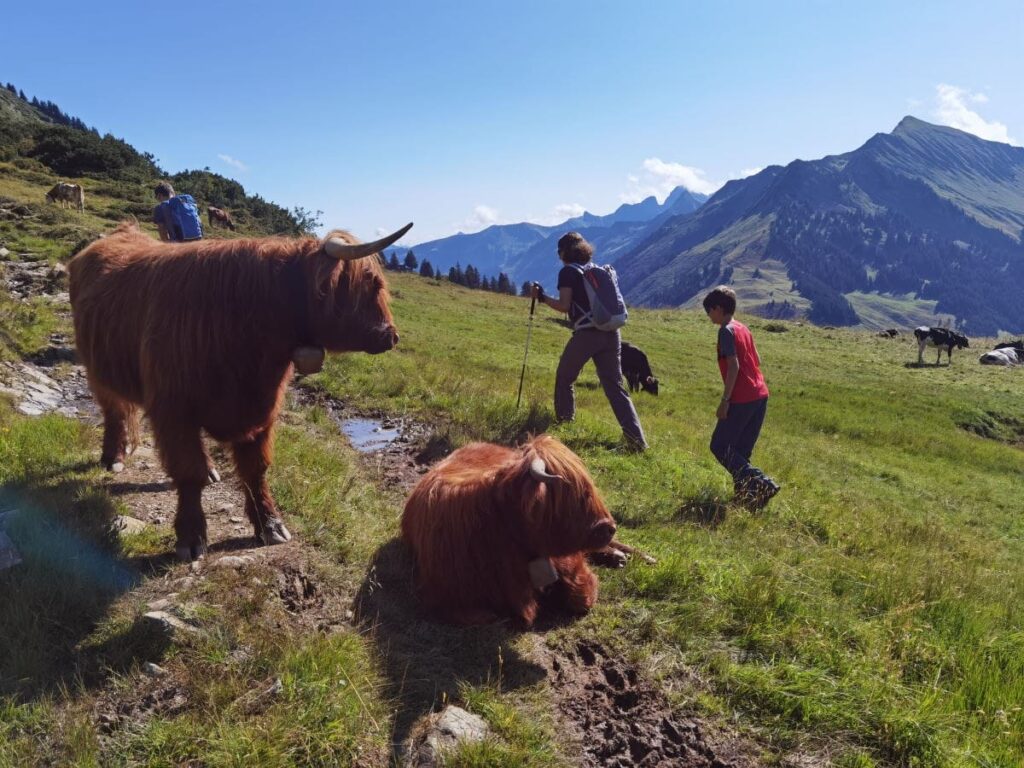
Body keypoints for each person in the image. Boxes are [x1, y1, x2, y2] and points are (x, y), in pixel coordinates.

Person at [531, 232, 648, 451]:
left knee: (565, 376)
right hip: (612, 333)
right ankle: (637, 440)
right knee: (615, 386)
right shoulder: (595, 269)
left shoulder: (568, 272)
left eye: (559, 251)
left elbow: (565, 306)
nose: (558, 255)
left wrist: (542, 298)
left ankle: (565, 423)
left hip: (587, 334)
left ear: (564, 252)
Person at [702, 286, 780, 508]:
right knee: (741, 451)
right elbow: (757, 359)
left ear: (718, 308)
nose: (708, 315)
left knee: (720, 445)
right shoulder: (743, 328)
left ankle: (761, 482)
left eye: (709, 311)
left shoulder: (726, 331)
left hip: (742, 398)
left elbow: (734, 366)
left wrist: (725, 400)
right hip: (760, 395)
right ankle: (748, 498)